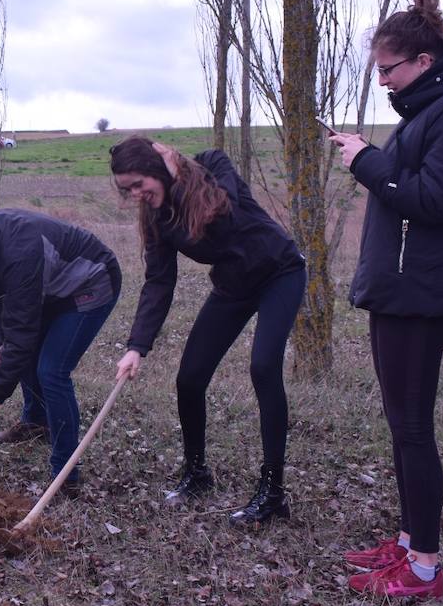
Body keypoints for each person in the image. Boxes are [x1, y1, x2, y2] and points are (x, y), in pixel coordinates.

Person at [329, 0, 443, 599]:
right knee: (402, 421)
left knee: (412, 426)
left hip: (425, 292)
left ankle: (424, 567)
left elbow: (434, 200)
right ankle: (408, 542)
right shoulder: (433, 112)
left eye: (388, 69)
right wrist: (376, 160)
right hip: (405, 288)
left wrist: (364, 161)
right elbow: (412, 186)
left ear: (423, 62)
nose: (382, 81)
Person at [109, 137, 306, 525]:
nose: (135, 194)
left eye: (138, 183)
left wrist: (180, 175)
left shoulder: (212, 166)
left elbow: (225, 215)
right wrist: (137, 346)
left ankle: (273, 492)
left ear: (157, 168)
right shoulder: (156, 217)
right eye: (126, 189)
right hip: (233, 286)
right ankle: (197, 474)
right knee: (190, 378)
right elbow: (159, 282)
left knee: (264, 367)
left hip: (279, 273)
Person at [0, 205, 121, 496]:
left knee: (52, 370)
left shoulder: (19, 252)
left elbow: (22, 336)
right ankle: (36, 422)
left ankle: (66, 474)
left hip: (91, 282)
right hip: (49, 288)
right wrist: (0, 344)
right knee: (19, 353)